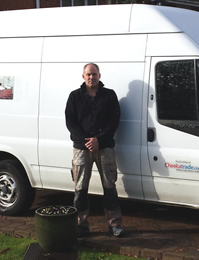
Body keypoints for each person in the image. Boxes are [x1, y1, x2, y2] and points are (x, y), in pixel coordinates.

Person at [65, 62, 124, 238]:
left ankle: (114, 225)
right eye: (88, 74)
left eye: (94, 74)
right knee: (80, 188)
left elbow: (114, 121)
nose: (91, 77)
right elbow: (71, 122)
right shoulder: (74, 97)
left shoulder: (109, 95)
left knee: (110, 187)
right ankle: (81, 226)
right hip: (81, 149)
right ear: (83, 76)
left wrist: (99, 140)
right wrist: (87, 141)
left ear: (99, 75)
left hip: (105, 147)